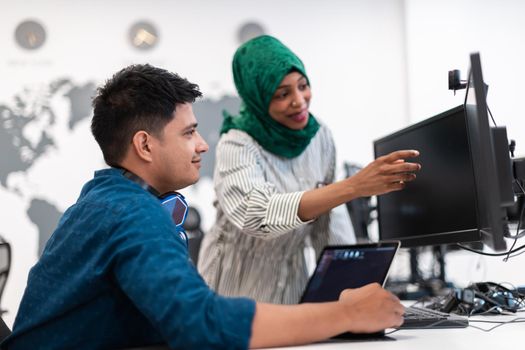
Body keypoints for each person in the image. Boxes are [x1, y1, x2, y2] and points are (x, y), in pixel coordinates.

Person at [1, 64, 404, 349]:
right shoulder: (129, 213)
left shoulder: (109, 200)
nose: (202, 145)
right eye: (189, 133)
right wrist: (346, 315)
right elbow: (200, 326)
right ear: (144, 145)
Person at [198, 35, 421, 304]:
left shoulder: (320, 137)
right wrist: (353, 186)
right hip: (235, 282)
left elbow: (328, 220)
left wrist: (352, 290)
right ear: (257, 96)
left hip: (292, 281)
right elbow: (255, 214)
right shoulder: (236, 142)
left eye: (303, 86)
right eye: (282, 94)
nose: (299, 101)